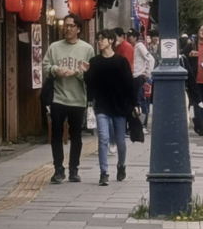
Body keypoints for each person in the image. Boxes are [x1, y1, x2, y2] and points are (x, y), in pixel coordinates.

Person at [43, 14, 93, 183]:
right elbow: (44, 67)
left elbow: (91, 74)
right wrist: (55, 69)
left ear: (78, 29)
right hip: (58, 98)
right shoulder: (54, 47)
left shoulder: (87, 49)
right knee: (56, 135)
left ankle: (74, 169)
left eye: (72, 26)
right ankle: (58, 169)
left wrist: (77, 72)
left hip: (78, 99)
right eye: (66, 26)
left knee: (76, 136)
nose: (68, 28)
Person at [88, 31, 136, 184]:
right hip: (102, 105)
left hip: (119, 105)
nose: (99, 41)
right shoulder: (94, 62)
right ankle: (104, 172)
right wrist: (86, 74)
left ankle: (121, 165)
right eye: (98, 39)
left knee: (120, 140)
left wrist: (135, 103)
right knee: (103, 138)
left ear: (111, 41)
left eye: (102, 39)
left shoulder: (121, 62)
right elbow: (91, 84)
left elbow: (129, 84)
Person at [132, 28, 154, 129]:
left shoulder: (140, 47)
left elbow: (151, 59)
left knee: (141, 101)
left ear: (135, 38)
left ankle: (143, 124)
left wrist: (147, 74)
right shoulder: (133, 47)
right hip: (135, 77)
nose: (128, 38)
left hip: (139, 76)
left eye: (130, 36)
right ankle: (140, 124)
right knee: (139, 101)